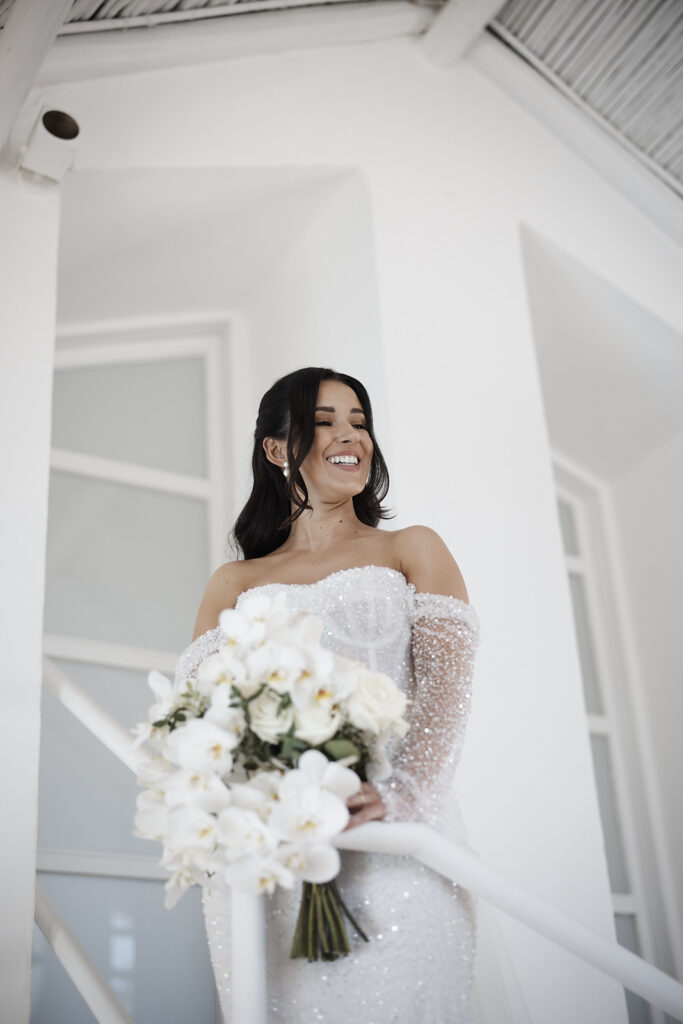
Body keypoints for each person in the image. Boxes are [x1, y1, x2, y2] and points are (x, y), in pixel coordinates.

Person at [174, 366, 481, 1023]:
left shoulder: (411, 547)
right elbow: (196, 719)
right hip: (271, 856)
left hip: (395, 839)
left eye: (359, 422)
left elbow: (445, 694)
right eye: (324, 421)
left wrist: (401, 795)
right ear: (276, 448)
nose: (351, 436)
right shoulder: (233, 581)